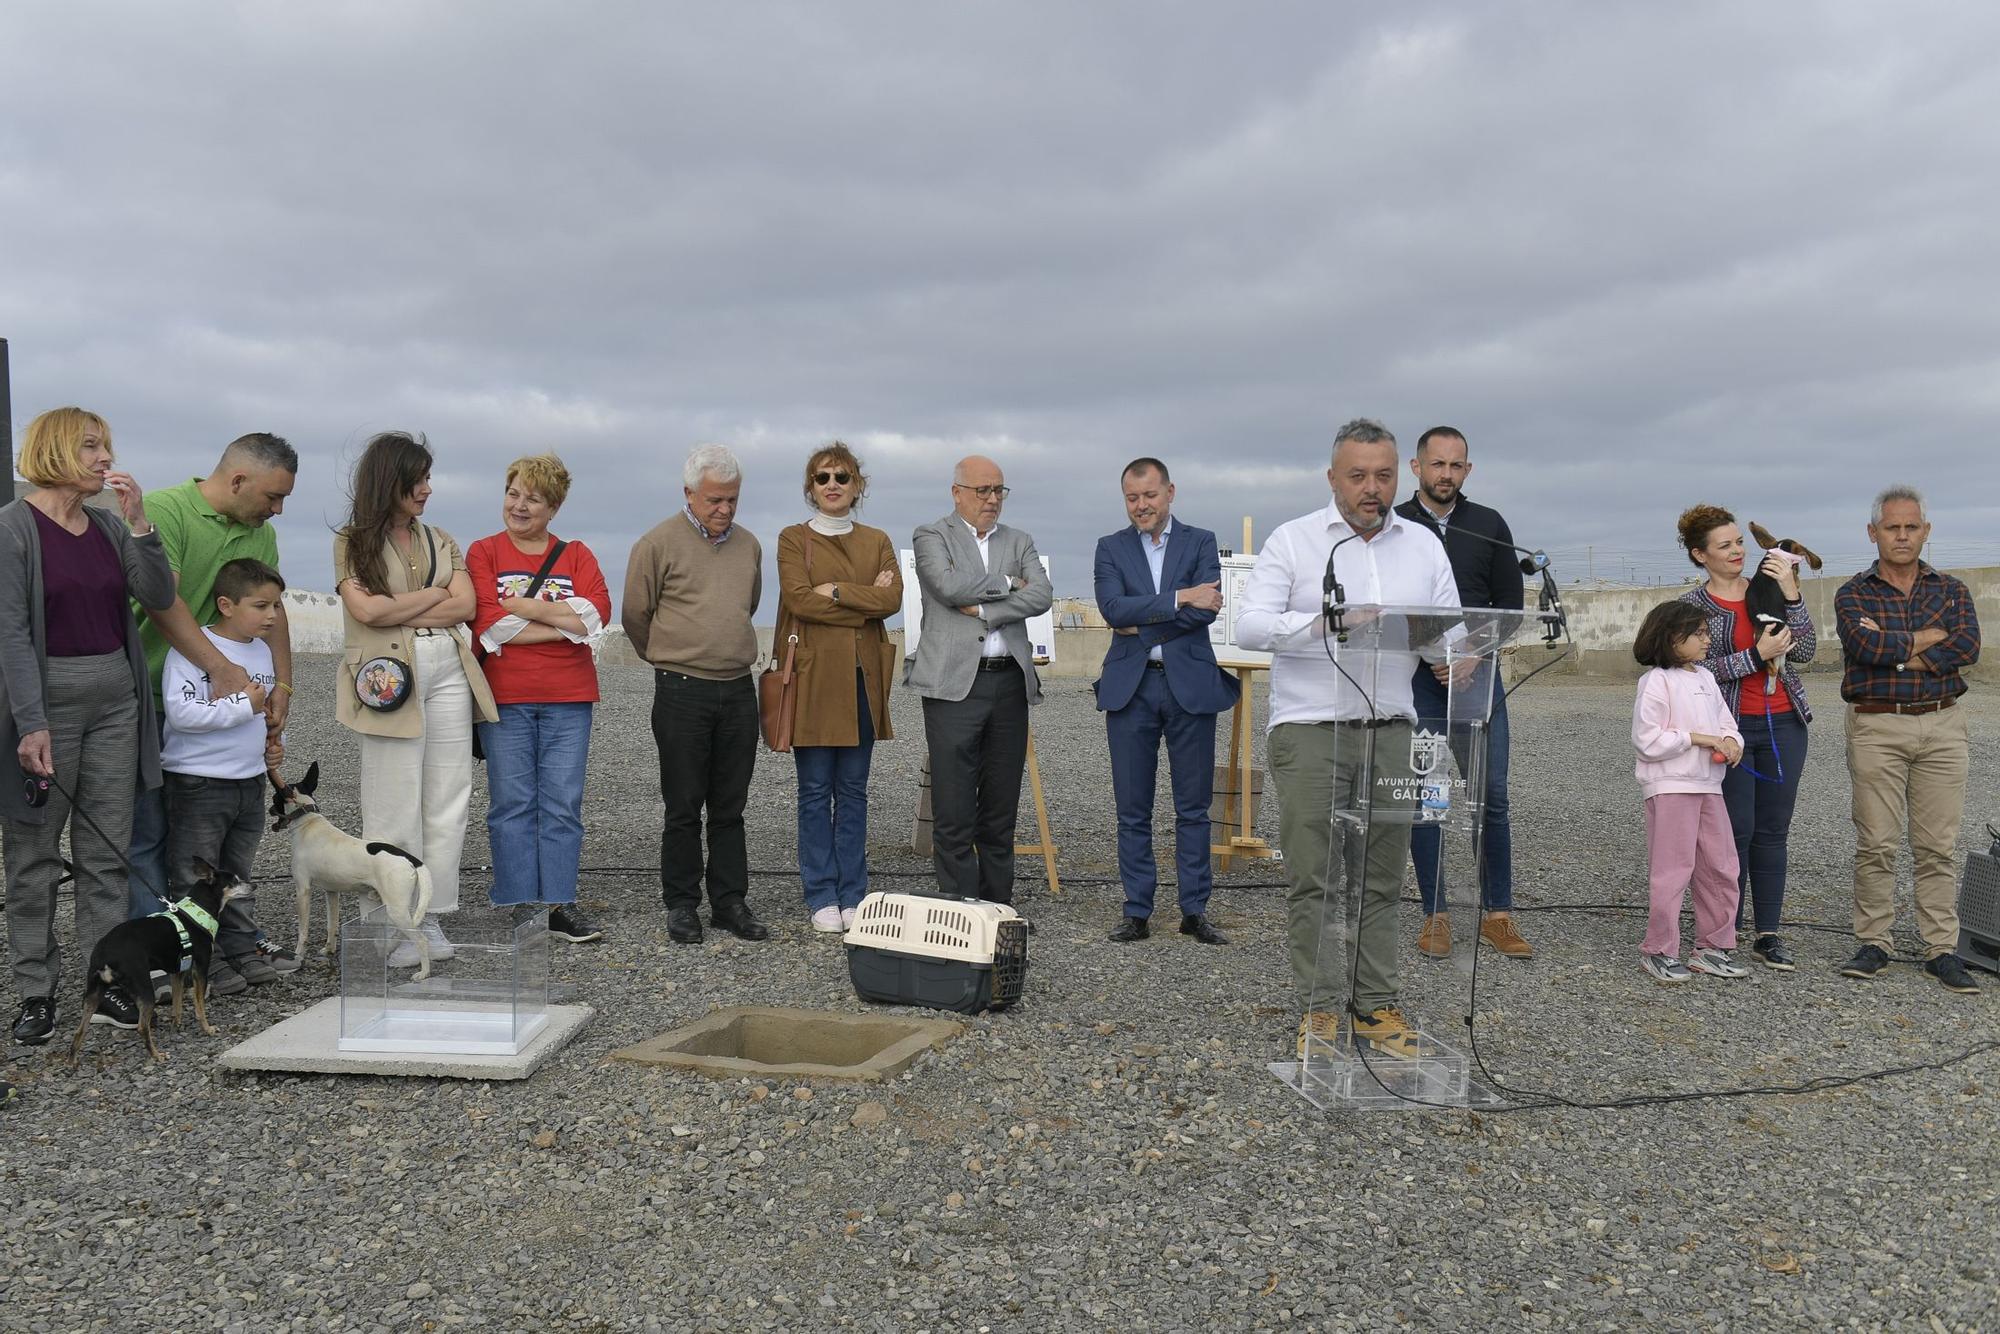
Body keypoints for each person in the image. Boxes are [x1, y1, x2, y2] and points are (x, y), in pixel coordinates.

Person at [1235, 420, 1459, 1061]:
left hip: (1392, 727)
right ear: (1332, 477)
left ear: (1400, 476)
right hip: (1310, 731)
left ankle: (1377, 1006)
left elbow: (1451, 629)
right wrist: (1324, 624)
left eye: (1383, 476)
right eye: (1357, 476)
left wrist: (1456, 655)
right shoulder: (1296, 541)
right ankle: (1318, 1009)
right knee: (1317, 877)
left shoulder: (1422, 546)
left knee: (1381, 878)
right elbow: (1249, 627)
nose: (1371, 488)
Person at [1, 407, 173, 1044]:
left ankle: (106, 984)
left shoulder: (106, 524)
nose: (106, 459)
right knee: (33, 856)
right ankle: (36, 992)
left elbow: (156, 595)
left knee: (105, 855)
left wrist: (141, 526)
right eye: (92, 447)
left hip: (116, 705)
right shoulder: (13, 528)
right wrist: (31, 722)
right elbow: (12, 634)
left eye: (107, 447)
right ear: (55, 451)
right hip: (46, 707)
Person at [130, 432, 300, 988]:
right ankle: (162, 953)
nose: (276, 510)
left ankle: (224, 946)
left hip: (224, 704)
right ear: (237, 481)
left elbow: (273, 607)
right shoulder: (166, 509)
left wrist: (282, 685)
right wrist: (226, 675)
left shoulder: (262, 534)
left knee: (208, 847)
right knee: (154, 836)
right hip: (148, 695)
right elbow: (163, 601)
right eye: (273, 497)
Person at [334, 431, 498, 967]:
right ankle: (390, 918)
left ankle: (430, 913)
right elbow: (368, 614)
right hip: (387, 678)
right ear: (391, 481)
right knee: (392, 797)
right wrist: (434, 595)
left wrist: (399, 603)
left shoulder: (441, 537)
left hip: (448, 668)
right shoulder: (352, 541)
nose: (427, 489)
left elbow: (466, 605)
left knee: (449, 794)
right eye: (418, 480)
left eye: (428, 478)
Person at [1834, 485, 1983, 993]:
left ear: (1926, 530)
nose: (1902, 535)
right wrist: (1925, 639)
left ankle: (1940, 948)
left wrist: (1893, 650)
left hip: (1943, 725)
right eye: (1892, 527)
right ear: (1873, 532)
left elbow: (1967, 644)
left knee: (1937, 846)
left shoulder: (1952, 590)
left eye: (1911, 526)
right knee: (1876, 842)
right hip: (1877, 725)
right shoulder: (1853, 593)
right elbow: (1862, 644)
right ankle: (1874, 940)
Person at [1395, 427, 1532, 960]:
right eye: (1436, 464)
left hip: (1479, 682)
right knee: (1428, 800)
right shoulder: (1397, 526)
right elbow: (1386, 601)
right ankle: (1436, 914)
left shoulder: (1490, 526)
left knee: (1490, 796)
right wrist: (1429, 654)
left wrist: (1473, 652)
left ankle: (1498, 914)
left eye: (1455, 465)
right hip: (1417, 686)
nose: (1445, 474)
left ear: (1467, 471)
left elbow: (1511, 606)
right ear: (1416, 467)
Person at [622, 445, 769, 945]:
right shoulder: (656, 543)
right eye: (714, 500)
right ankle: (681, 903)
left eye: (732, 499)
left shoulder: (749, 545)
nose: (724, 509)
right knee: (683, 804)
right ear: (689, 493)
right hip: (682, 688)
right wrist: (670, 657)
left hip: (737, 689)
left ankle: (729, 901)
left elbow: (747, 604)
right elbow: (635, 616)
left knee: (730, 805)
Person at [1091, 457, 1238, 944]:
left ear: (1170, 492)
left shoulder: (1200, 541)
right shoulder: (1110, 548)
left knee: (1193, 807)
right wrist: (1179, 599)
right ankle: (1137, 910)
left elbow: (1207, 612)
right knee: (1132, 809)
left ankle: (1194, 910)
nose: (1141, 506)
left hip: (1188, 688)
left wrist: (1145, 619)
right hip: (1130, 689)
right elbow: (1113, 610)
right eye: (1132, 498)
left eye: (1149, 496)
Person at [468, 453, 611, 944]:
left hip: (569, 699)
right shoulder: (483, 552)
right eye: (513, 493)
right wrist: (561, 621)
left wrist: (525, 608)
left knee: (562, 803)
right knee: (511, 802)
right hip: (504, 698)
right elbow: (489, 625)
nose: (519, 505)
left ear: (554, 507)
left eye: (533, 498)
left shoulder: (577, 555)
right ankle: (518, 902)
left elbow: (596, 618)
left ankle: (558, 903)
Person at [1674, 504, 1817, 971]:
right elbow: (1694, 672)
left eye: (1739, 542)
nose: (1737, 552)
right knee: (1734, 832)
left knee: (1774, 832)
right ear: (1700, 555)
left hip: (1784, 724)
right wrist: (1754, 657)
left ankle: (1769, 934)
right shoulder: (1694, 608)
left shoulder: (1770, 589)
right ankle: (1724, 928)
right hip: (1728, 732)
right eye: (1724, 546)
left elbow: (1809, 651)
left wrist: (1793, 593)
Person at [906, 455, 1054, 904]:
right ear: (957, 493)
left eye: (998, 491)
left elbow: (1043, 594)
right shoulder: (932, 535)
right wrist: (1011, 583)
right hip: (953, 688)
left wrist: (987, 608)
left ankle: (996, 907)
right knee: (953, 809)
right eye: (982, 491)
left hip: (1008, 683)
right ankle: (957, 906)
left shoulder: (1020, 539)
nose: (992, 500)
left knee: (1000, 807)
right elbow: (947, 587)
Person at [774, 442, 902, 932]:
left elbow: (891, 599)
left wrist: (839, 590)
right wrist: (863, 595)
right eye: (823, 478)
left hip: (862, 679)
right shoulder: (792, 538)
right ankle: (821, 893)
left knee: (853, 791)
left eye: (842, 478)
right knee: (813, 791)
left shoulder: (877, 538)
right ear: (810, 487)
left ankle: (855, 892)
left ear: (857, 486)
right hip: (813, 680)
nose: (832, 485)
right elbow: (800, 600)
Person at [160, 557, 289, 993]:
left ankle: (240, 947)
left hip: (248, 784)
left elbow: (259, 714)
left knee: (237, 874)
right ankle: (200, 959)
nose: (272, 615)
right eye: (261, 605)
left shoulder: (260, 650)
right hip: (199, 784)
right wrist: (244, 707)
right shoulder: (190, 652)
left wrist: (269, 744)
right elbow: (181, 714)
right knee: (196, 877)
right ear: (226, 604)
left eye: (276, 605)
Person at [1630, 600, 1747, 985]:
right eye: (1697, 634)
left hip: (1709, 786)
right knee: (1672, 870)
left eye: (1706, 633)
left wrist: (1731, 742)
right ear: (1669, 637)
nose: (1706, 640)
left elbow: (1727, 723)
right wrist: (1698, 739)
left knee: (1721, 866)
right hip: (1670, 787)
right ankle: (1659, 949)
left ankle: (1713, 946)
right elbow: (1647, 740)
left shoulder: (1706, 679)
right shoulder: (1655, 682)